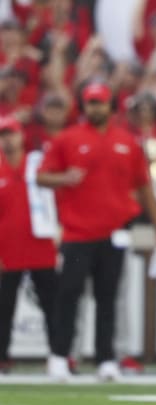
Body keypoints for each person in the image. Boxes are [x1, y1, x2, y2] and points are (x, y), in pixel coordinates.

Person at [36, 82, 156, 381]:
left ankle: (106, 358)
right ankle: (59, 355)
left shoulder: (127, 142)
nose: (95, 108)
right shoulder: (67, 139)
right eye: (91, 102)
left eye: (100, 102)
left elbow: (143, 186)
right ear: (83, 106)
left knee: (108, 298)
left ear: (110, 106)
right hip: (77, 234)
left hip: (114, 232)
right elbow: (42, 176)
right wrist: (64, 178)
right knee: (68, 296)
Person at [0, 116, 58, 374]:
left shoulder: (38, 165)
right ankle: (2, 357)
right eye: (2, 135)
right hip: (7, 250)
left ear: (21, 135)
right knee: (3, 308)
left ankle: (59, 355)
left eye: (10, 134)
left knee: (53, 306)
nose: (6, 139)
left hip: (41, 246)